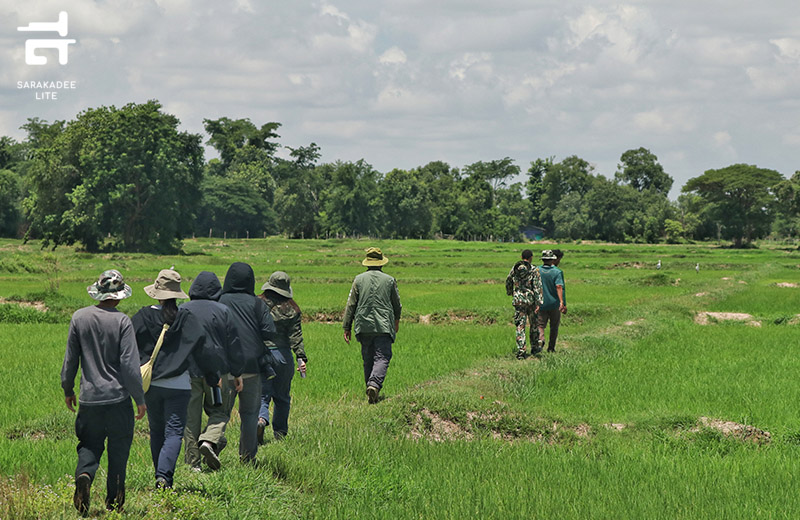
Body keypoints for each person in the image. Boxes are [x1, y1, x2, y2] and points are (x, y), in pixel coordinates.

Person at [61, 269, 147, 515]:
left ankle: (85, 474)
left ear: (98, 293)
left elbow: (70, 362)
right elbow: (130, 367)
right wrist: (139, 398)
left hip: (89, 399)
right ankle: (115, 504)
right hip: (118, 399)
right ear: (119, 296)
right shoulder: (122, 322)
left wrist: (68, 389)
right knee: (118, 451)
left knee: (89, 444)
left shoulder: (79, 318)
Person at [132, 268, 221, 489]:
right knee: (174, 433)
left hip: (150, 384)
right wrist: (212, 377)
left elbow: (128, 347)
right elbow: (204, 351)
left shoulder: (142, 316)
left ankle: (159, 476)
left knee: (157, 431)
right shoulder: (186, 319)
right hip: (180, 385)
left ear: (156, 291)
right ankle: (164, 477)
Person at [181, 271, 244, 472]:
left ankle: (193, 465)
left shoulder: (182, 310)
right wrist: (237, 373)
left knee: (190, 419)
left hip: (188, 373)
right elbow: (234, 344)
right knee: (220, 411)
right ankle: (209, 441)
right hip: (217, 375)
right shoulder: (223, 311)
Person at [219, 262, 276, 463]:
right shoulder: (257, 303)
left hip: (225, 367)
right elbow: (270, 331)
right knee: (250, 414)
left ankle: (212, 445)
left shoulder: (220, 299)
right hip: (252, 367)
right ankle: (247, 458)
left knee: (221, 412)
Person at [343, 247, 402, 404]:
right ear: (381, 263)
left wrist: (346, 326)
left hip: (363, 325)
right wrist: (396, 321)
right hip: (383, 326)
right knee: (382, 356)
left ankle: (372, 393)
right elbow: (397, 305)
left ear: (367, 263)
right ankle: (374, 384)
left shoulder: (358, 280)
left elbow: (351, 305)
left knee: (368, 358)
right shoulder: (389, 280)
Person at [258, 271, 308, 442]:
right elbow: (296, 336)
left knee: (262, 394)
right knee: (282, 398)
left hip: (262, 354)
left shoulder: (257, 304)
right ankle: (280, 434)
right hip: (283, 356)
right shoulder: (292, 309)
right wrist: (301, 357)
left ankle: (261, 419)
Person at [505, 249, 544, 359]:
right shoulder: (533, 269)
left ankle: (521, 351)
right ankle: (535, 347)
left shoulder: (515, 268)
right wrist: (538, 302)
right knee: (533, 325)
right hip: (530, 301)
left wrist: (510, 292)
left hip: (519, 301)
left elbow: (508, 280)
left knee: (520, 326)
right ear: (531, 257)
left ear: (522, 257)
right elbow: (537, 287)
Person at [538, 250, 567, 352]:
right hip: (554, 303)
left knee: (540, 325)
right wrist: (562, 302)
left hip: (540, 303)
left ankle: (540, 339)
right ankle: (551, 348)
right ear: (552, 260)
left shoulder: (537, 270)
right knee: (554, 327)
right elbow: (559, 287)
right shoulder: (557, 272)